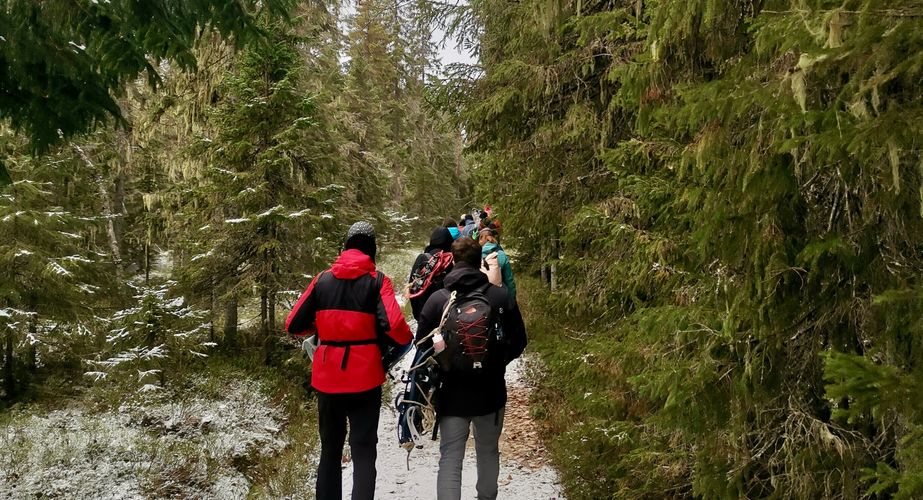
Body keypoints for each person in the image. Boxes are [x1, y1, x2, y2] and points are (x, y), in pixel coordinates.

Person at [285, 221, 412, 500]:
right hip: (365, 379)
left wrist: (323, 328)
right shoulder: (378, 281)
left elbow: (293, 323)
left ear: (345, 246)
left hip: (328, 377)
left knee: (329, 450)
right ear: (372, 250)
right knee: (364, 451)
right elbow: (398, 329)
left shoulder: (322, 280)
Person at [416, 237, 527, 500]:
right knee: (488, 452)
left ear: (452, 262)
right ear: (480, 263)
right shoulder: (499, 296)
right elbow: (519, 340)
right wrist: (497, 362)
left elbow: (421, 345)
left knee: (451, 457)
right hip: (490, 393)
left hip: (451, 392)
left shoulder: (438, 300)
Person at [407, 226, 454, 320]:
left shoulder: (423, 258)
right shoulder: (451, 260)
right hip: (445, 314)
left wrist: (417, 315)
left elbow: (412, 287)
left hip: (424, 312)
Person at [478, 228, 517, 302]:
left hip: (482, 298)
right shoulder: (501, 254)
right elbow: (509, 280)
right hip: (500, 296)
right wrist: (512, 298)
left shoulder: (476, 254)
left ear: (481, 238)